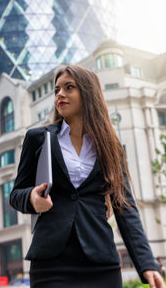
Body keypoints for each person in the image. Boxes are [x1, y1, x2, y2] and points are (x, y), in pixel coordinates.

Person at [10, 65, 165, 288]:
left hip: (100, 262)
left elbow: (125, 206)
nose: (60, 94)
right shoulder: (38, 138)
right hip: (51, 264)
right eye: (56, 90)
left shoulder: (110, 146)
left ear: (88, 93)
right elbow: (16, 194)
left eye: (69, 87)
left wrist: (146, 263)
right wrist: (32, 199)